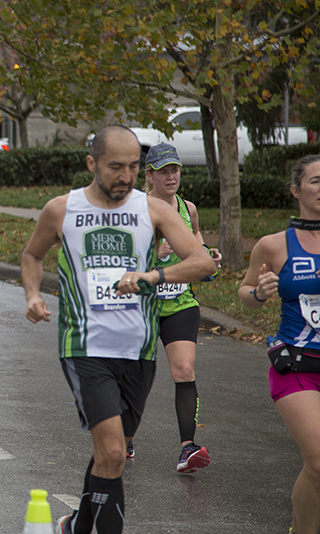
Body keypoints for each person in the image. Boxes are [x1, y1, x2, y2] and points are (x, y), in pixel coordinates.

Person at [20, 125, 214, 534]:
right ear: (92, 164)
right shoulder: (62, 209)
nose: (125, 175)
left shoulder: (153, 209)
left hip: (138, 351)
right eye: (115, 167)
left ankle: (76, 525)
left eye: (132, 166)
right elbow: (32, 255)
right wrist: (33, 295)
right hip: (84, 346)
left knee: (109, 458)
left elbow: (202, 262)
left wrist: (153, 275)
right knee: (112, 450)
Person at [124, 143, 221, 472]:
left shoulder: (187, 208)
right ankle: (123, 438)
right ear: (148, 175)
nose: (171, 176)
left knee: (184, 371)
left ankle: (187, 448)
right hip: (143, 306)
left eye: (175, 170)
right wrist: (158, 254)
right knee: (137, 376)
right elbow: (124, 259)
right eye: (163, 171)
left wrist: (210, 257)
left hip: (180, 302)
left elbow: (198, 247)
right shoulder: (135, 208)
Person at [239, 154, 320, 534]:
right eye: (316, 181)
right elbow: (244, 291)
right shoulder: (274, 245)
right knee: (319, 460)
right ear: (296, 190)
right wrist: (259, 292)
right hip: (297, 366)